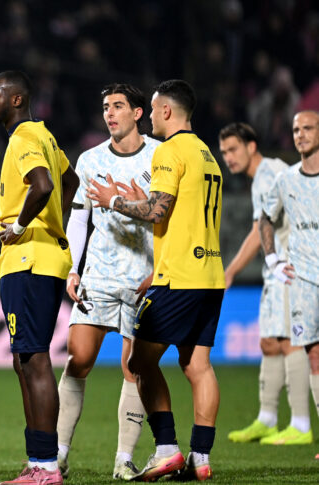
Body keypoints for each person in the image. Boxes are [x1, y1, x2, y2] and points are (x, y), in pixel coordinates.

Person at [88, 79, 225, 481]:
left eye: (150, 109)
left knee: (139, 361)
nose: (148, 117)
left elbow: (156, 211)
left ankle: (166, 448)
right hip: (210, 274)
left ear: (166, 111)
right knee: (197, 363)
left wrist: (113, 200)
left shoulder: (169, 151)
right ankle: (201, 458)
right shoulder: (206, 153)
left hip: (179, 277)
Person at [56, 84, 159, 480]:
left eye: (118, 106)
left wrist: (160, 270)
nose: (110, 113)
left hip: (142, 278)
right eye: (105, 107)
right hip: (98, 274)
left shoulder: (159, 156)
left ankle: (123, 459)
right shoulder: (90, 159)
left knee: (134, 367)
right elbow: (80, 219)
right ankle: (60, 454)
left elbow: (166, 218)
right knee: (77, 358)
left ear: (137, 113)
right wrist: (73, 267)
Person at [0, 70, 78, 485]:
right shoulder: (46, 137)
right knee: (26, 360)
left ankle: (46, 465)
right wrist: (56, 220)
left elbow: (41, 186)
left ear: (17, 100)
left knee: (35, 360)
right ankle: (37, 461)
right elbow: (68, 181)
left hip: (29, 259)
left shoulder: (23, 138)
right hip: (44, 256)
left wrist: (22, 225)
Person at [219, 122, 312, 446]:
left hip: (291, 267)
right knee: (270, 342)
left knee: (291, 342)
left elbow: (262, 230)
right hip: (279, 270)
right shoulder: (263, 176)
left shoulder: (269, 173)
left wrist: (230, 271)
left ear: (251, 146)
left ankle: (301, 424)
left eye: (233, 149)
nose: (228, 158)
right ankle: (267, 419)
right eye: (224, 152)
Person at [259, 110, 319, 460]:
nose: (300, 134)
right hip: (304, 282)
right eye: (296, 129)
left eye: (308, 128)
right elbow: (266, 218)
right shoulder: (286, 180)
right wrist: (273, 260)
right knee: (313, 356)